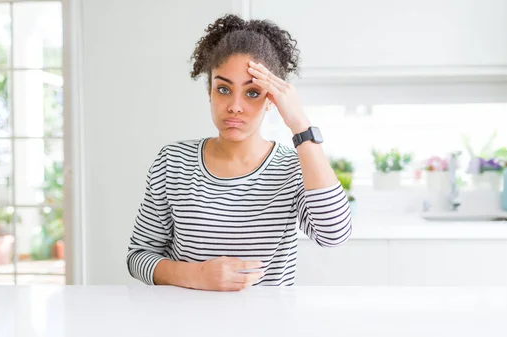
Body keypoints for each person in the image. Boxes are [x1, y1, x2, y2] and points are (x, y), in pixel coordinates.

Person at [126, 14, 352, 291]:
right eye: (223, 89)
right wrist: (196, 276)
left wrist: (300, 125)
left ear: (272, 99)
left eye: (253, 92)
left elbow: (334, 234)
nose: (235, 106)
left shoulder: (293, 167)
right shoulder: (173, 162)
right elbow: (138, 256)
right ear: (209, 91)